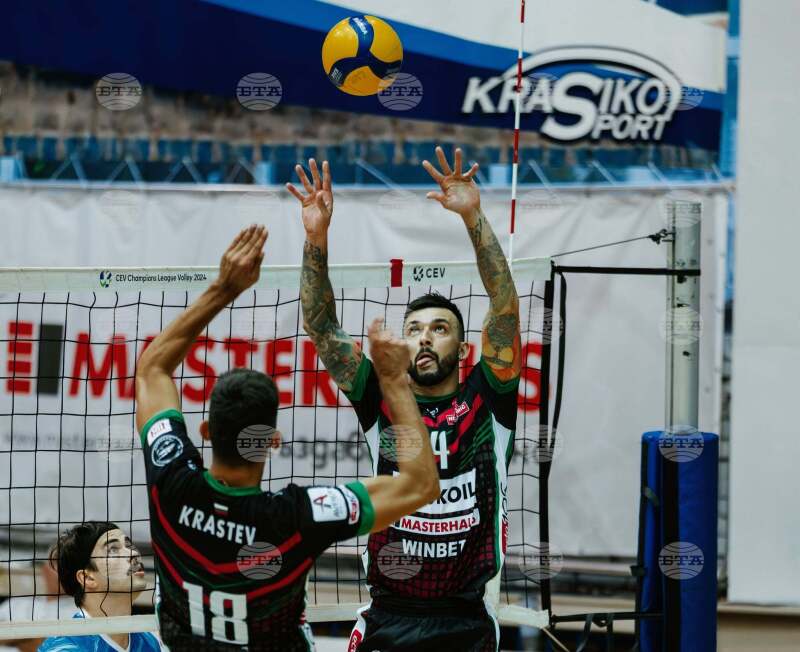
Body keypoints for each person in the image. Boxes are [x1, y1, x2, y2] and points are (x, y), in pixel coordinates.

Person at [134, 225, 439, 650]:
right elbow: (421, 485)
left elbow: (151, 370)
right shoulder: (296, 518)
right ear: (272, 440)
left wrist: (224, 288)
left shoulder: (170, 481)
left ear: (205, 431)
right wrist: (393, 379)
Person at [288, 147, 522, 652]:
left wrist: (473, 217)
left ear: (463, 349)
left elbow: (504, 308)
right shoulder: (382, 398)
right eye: (414, 329)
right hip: (388, 618)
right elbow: (322, 327)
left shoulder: (490, 399)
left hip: (465, 622)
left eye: (439, 329)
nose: (424, 338)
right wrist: (316, 238)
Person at [38, 521, 161, 651]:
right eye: (113, 549)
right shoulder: (64, 647)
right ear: (87, 578)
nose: (133, 554)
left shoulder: (149, 641)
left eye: (128, 545)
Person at [0, 558, 75, 652]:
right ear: (45, 570)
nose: (64, 572)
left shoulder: (81, 611)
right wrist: (29, 637)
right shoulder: (16, 602)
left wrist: (12, 636)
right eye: (57, 564)